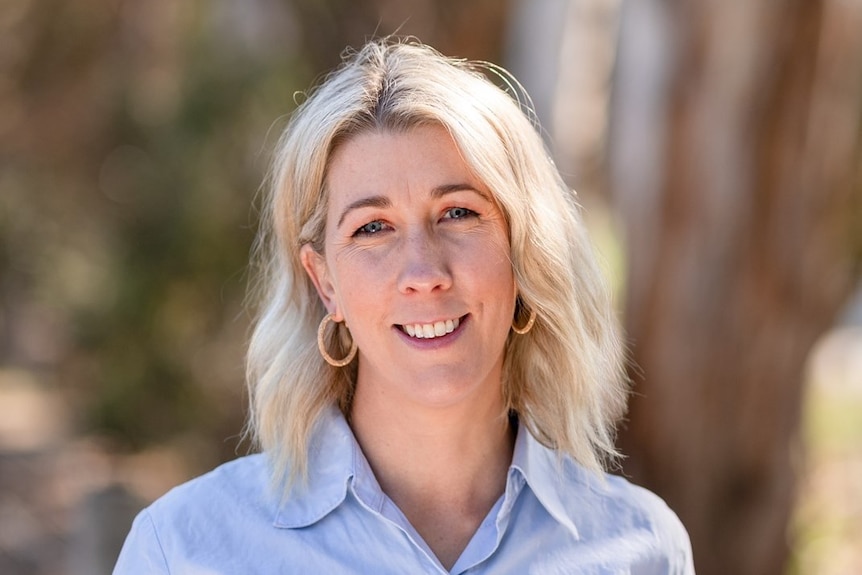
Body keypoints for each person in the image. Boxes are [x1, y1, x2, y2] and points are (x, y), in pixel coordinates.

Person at [113, 38, 695, 574]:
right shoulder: (185, 549)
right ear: (325, 282)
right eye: (373, 228)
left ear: (522, 250)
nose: (424, 273)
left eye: (459, 213)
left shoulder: (642, 547)